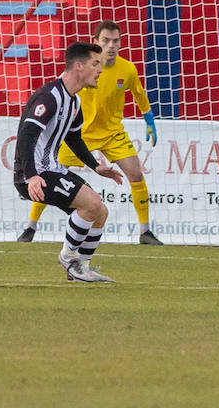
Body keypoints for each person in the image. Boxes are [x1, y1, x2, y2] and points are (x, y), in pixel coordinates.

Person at [18, 21, 161, 245]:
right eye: (106, 41)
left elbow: (139, 94)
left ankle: (144, 232)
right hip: (77, 138)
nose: (111, 46)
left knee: (131, 177)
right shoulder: (72, 79)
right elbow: (34, 128)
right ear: (95, 43)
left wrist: (149, 120)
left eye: (116, 41)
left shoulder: (127, 69)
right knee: (56, 179)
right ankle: (31, 228)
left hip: (111, 133)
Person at [13, 41, 125, 282]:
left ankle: (82, 268)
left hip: (51, 169)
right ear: (78, 66)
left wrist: (96, 167)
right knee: (92, 203)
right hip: (34, 174)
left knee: (100, 211)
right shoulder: (50, 96)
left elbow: (74, 138)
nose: (100, 70)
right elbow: (26, 134)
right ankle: (68, 258)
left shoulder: (74, 101)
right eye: (95, 64)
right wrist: (32, 176)